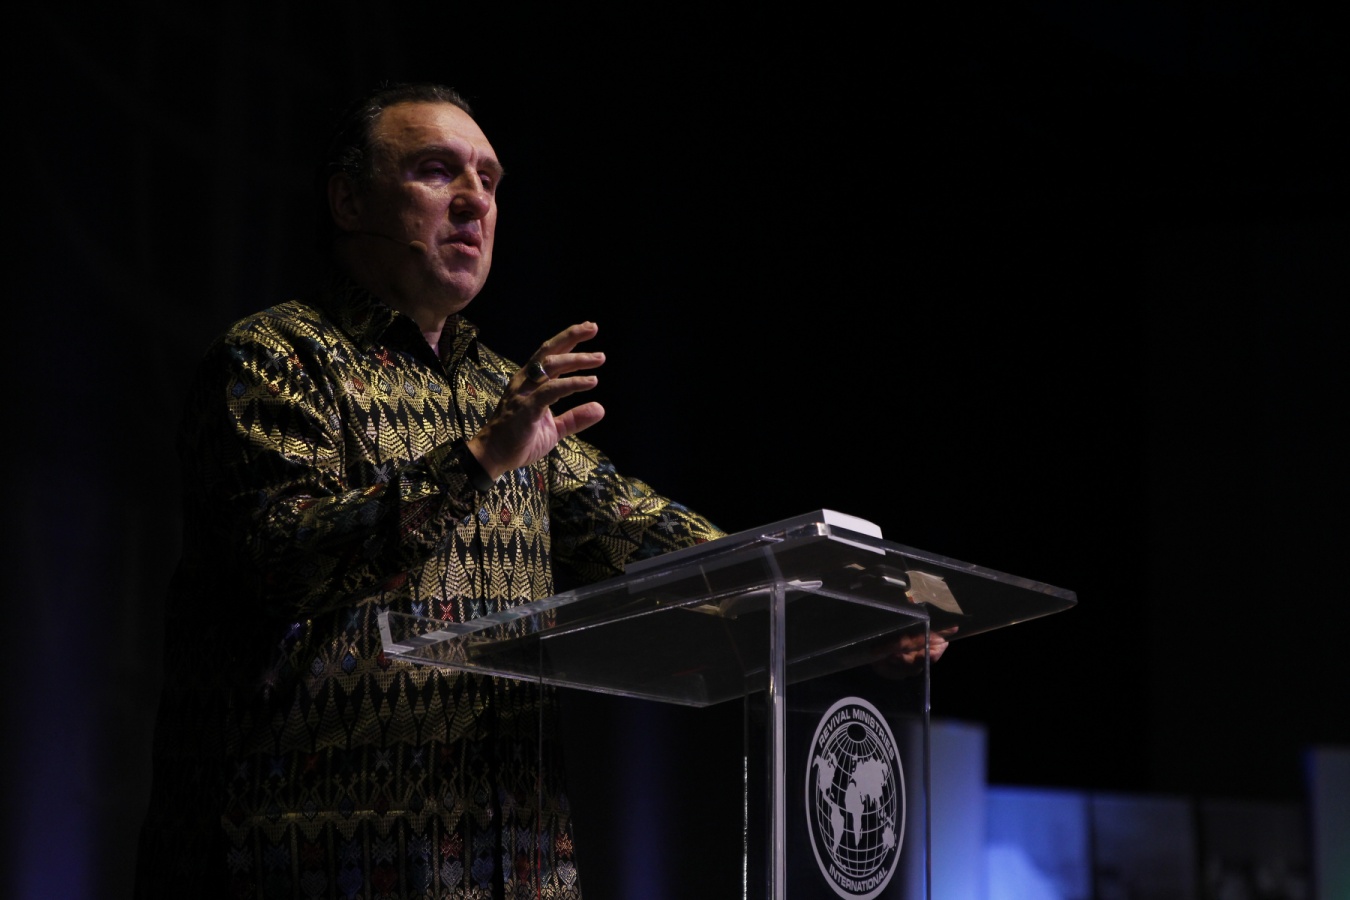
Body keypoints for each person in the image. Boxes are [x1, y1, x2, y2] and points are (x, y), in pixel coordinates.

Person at [132, 82, 725, 900]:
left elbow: (636, 527)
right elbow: (284, 561)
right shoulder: (274, 359)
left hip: (511, 870)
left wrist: (834, 598)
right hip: (309, 866)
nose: (475, 200)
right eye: (438, 171)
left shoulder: (502, 392)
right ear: (349, 200)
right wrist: (477, 459)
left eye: (489, 179)